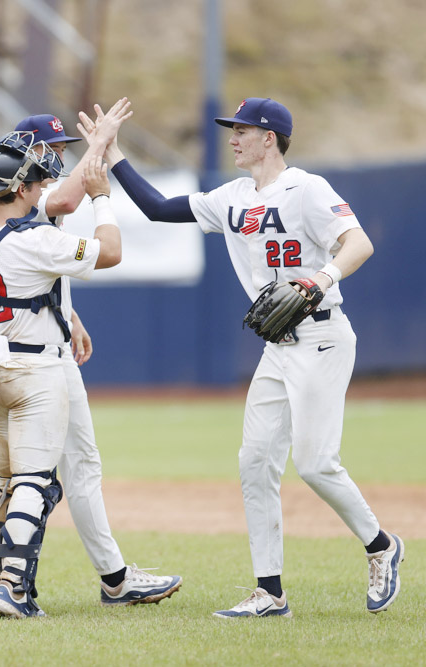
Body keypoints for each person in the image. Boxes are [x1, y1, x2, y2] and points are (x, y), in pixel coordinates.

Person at [101, 97, 404, 618]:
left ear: (271, 138)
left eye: (243, 130)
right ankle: (270, 593)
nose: (233, 138)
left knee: (314, 463)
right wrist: (111, 153)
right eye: (232, 129)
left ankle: (381, 546)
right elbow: (157, 207)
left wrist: (321, 277)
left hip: (322, 337)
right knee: (255, 464)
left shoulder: (306, 189)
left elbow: (359, 243)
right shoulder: (233, 196)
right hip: (277, 347)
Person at [0, 106, 182, 610]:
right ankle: (18, 586)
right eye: (52, 152)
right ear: (23, 174)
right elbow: (91, 234)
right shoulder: (35, 220)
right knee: (39, 478)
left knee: (0, 475)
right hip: (39, 364)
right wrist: (102, 159)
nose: (55, 165)